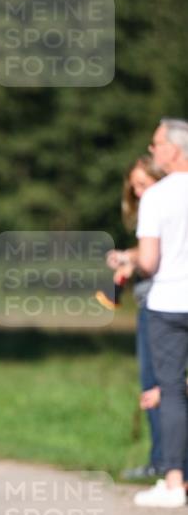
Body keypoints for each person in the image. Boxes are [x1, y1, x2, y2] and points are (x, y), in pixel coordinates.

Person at [133, 118, 188, 508]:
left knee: (170, 392)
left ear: (174, 149)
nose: (153, 151)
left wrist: (128, 262)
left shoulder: (157, 196)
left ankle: (173, 483)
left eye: (156, 144)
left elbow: (149, 262)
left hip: (169, 304)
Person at [106, 156, 166, 479]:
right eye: (135, 187)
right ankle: (162, 459)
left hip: (164, 307)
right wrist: (128, 257)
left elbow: (156, 257)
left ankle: (169, 466)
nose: (140, 193)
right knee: (153, 384)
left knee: (161, 386)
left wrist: (133, 264)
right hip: (151, 303)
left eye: (144, 184)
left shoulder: (167, 204)